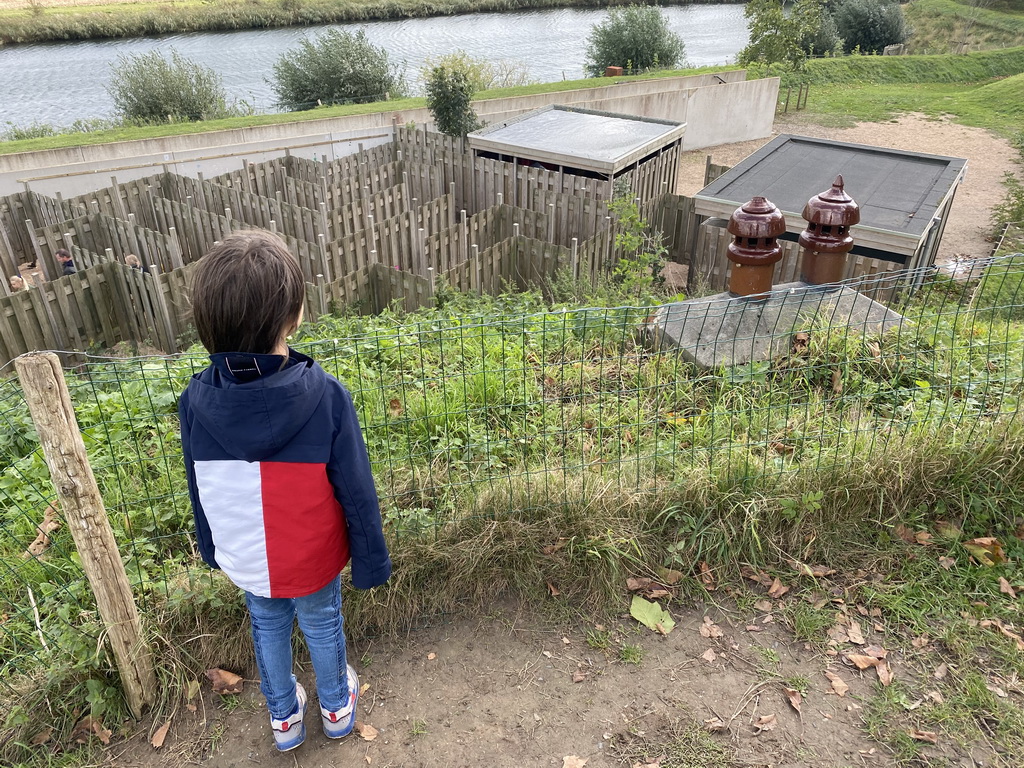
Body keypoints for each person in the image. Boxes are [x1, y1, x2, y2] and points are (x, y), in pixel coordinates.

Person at [178, 229, 391, 753]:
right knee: (322, 621)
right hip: (313, 553)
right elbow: (356, 491)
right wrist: (371, 560)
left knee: (266, 622)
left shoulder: (194, 404)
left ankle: (284, 720)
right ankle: (338, 708)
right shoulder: (326, 396)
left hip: (248, 555)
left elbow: (199, 486)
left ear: (207, 323)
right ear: (295, 315)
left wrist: (211, 548)